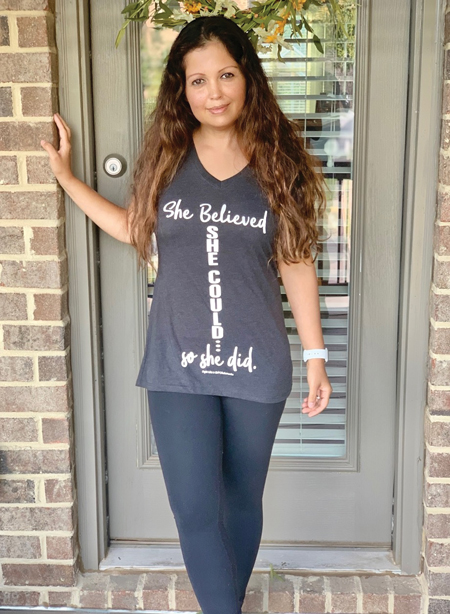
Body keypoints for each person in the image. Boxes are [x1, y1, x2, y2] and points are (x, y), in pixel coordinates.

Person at [41, 13, 333, 614]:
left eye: (226, 75)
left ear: (247, 77)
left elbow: (296, 260)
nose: (214, 93)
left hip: (256, 363)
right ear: (182, 87)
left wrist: (315, 356)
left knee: (241, 500)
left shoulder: (278, 159)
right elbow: (134, 227)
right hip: (177, 363)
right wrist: (67, 180)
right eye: (198, 80)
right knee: (196, 508)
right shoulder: (170, 155)